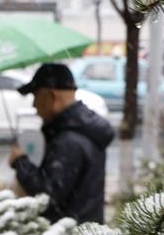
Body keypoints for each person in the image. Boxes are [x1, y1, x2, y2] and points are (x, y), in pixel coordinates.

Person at [7, 63, 114, 224]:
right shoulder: (83, 130)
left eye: (36, 96)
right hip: (85, 233)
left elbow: (47, 198)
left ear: (51, 96)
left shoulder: (68, 141)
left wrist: (20, 162)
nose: (34, 105)